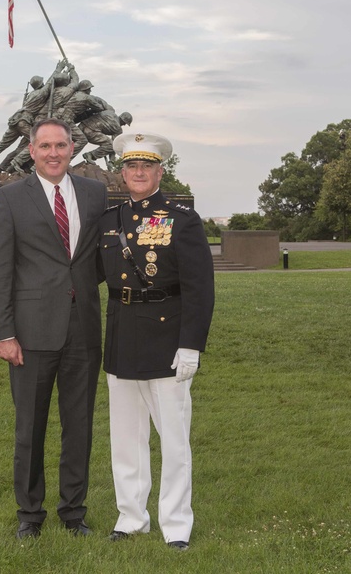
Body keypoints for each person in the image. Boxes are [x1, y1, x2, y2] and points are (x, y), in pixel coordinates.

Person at [0, 118, 108, 540]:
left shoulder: (95, 194)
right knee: (30, 427)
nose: (53, 153)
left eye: (61, 145)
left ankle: (74, 512)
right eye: (45, 146)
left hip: (84, 330)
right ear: (32, 150)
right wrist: (4, 333)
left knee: (79, 426)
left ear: (72, 148)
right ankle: (30, 515)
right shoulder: (9, 198)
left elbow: (97, 259)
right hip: (30, 333)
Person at [98, 132, 215, 551]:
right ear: (122, 172)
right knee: (126, 439)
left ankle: (176, 523)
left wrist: (192, 344)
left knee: (174, 439)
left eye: (147, 166)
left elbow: (200, 287)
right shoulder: (109, 222)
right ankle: (131, 518)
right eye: (132, 166)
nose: (139, 172)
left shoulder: (181, 219)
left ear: (160, 171)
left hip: (168, 339)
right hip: (122, 338)